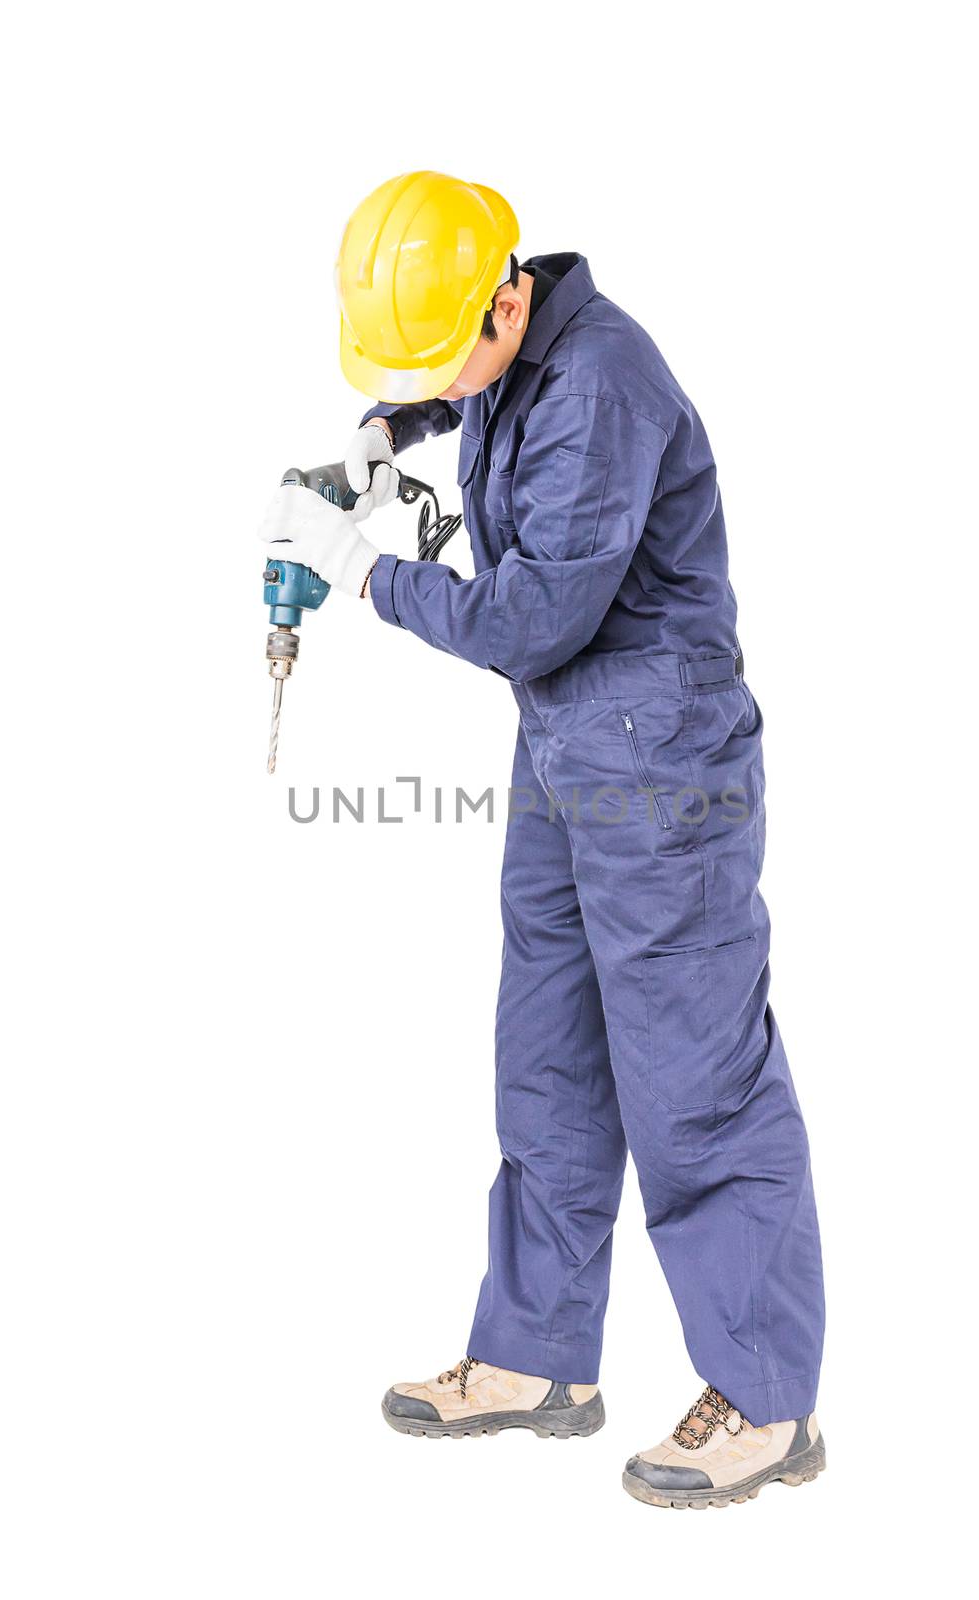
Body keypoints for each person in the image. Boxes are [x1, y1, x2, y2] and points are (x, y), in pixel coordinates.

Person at [258, 171, 826, 1510]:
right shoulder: (505, 337)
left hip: (665, 770)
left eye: (435, 356)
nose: (432, 380)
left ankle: (767, 1401)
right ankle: (537, 1359)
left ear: (508, 301)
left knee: (695, 1080)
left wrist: (362, 568)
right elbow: (442, 388)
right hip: (571, 754)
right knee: (549, 1058)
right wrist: (377, 434)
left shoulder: (598, 392)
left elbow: (523, 624)